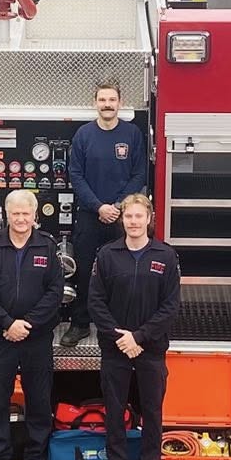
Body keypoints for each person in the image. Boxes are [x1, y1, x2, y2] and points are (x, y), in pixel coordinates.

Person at [88, 193, 181, 460]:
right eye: (129, 217)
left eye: (139, 216)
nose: (134, 222)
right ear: (122, 220)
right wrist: (121, 338)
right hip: (115, 349)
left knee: (152, 413)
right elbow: (96, 303)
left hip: (150, 349)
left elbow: (170, 307)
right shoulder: (107, 255)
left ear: (149, 219)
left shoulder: (165, 256)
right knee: (114, 412)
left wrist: (139, 337)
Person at [0, 189, 63, 460]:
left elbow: (55, 292)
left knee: (39, 399)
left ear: (35, 216)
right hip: (0, 337)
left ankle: (36, 458)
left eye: (26, 213)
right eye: (16, 213)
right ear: (7, 215)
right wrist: (7, 323)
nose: (21, 219)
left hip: (36, 338)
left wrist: (29, 324)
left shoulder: (48, 247)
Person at [62, 78, 150, 346]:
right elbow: (75, 175)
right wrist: (99, 206)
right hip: (91, 215)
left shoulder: (132, 134)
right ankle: (80, 324)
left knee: (120, 272)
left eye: (112, 100)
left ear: (119, 103)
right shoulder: (83, 135)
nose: (107, 104)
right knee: (85, 270)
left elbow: (139, 174)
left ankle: (114, 327)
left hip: (122, 216)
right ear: (95, 103)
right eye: (102, 100)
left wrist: (118, 206)